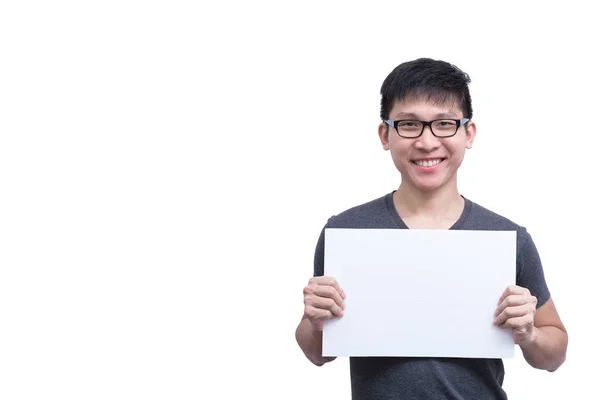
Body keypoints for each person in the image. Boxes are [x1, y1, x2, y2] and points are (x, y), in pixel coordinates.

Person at [294, 58, 568, 399]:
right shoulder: (346, 233)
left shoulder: (507, 238)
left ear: (468, 133)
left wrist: (530, 334)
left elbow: (555, 354)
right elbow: (317, 352)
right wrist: (315, 321)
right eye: (409, 124)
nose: (427, 142)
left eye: (444, 124)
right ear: (385, 134)